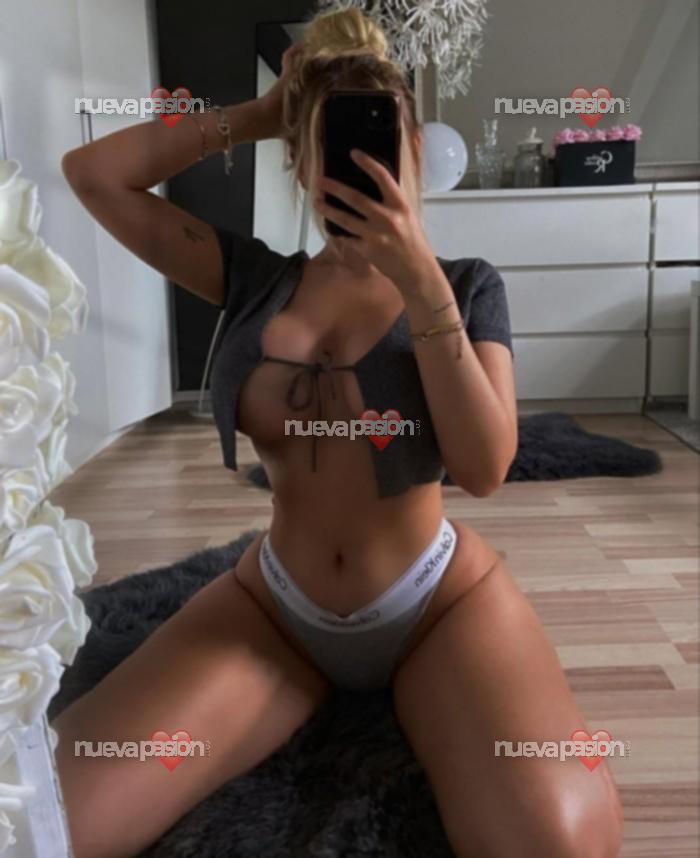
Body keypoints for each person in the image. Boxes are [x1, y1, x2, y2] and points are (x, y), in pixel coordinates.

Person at [53, 8, 623, 858]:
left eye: (381, 143)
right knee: (55, 817)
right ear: (301, 161)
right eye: (329, 148)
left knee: (559, 841)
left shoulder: (467, 286)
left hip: (437, 604)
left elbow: (485, 466)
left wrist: (420, 283)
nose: (358, 167)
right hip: (276, 610)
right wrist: (254, 116)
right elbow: (95, 174)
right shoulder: (254, 279)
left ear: (415, 150)